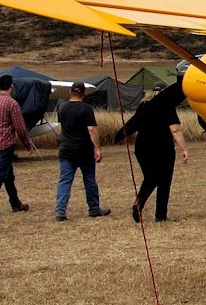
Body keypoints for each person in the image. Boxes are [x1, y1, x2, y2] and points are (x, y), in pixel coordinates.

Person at [117, 81, 189, 222]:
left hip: (142, 148)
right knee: (164, 180)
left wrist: (121, 136)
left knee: (151, 178)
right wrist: (184, 148)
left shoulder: (143, 106)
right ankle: (159, 214)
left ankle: (142, 205)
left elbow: (132, 125)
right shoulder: (166, 105)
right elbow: (175, 129)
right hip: (163, 149)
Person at [0, 74, 36, 215]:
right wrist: (28, 144)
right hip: (5, 144)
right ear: (11, 86)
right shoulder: (12, 104)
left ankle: (15, 203)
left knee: (8, 175)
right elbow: (20, 127)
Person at [55, 81, 110, 221]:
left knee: (65, 181)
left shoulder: (62, 107)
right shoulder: (86, 108)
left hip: (66, 149)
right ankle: (94, 209)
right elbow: (92, 130)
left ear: (70, 92)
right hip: (83, 150)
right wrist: (97, 148)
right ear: (84, 94)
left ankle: (60, 211)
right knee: (89, 180)